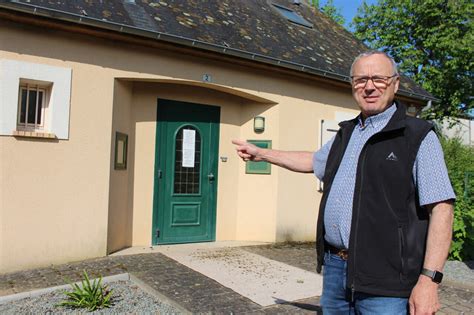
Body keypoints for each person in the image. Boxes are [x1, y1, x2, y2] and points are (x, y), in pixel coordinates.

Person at [232, 51, 454, 315]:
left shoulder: (417, 136)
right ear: (352, 86)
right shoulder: (346, 133)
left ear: (395, 84)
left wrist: (429, 280)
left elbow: (442, 209)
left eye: (378, 79)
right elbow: (313, 161)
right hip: (337, 267)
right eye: (360, 80)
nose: (369, 86)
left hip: (388, 278)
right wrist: (263, 154)